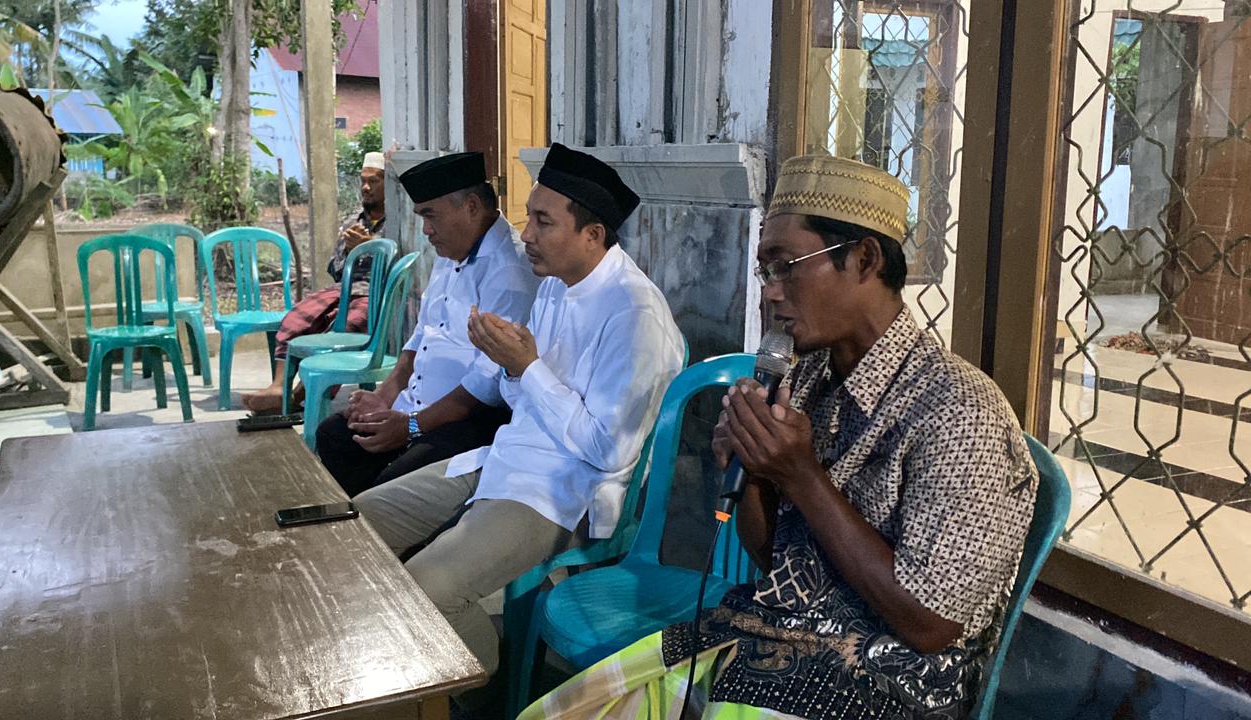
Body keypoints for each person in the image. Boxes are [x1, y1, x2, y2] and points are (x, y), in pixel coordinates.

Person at [521, 155, 1039, 719]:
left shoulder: (959, 411)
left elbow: (931, 624)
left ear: (863, 259)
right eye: (765, 272)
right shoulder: (806, 376)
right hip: (790, 632)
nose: (770, 293)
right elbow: (779, 566)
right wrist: (751, 476)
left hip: (894, 680)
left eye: (787, 266)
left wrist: (801, 475)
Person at [354, 143, 686, 686]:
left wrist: (526, 366)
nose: (524, 233)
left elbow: (608, 450)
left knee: (428, 589)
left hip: (566, 491)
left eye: (542, 221)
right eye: (529, 216)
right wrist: (512, 369)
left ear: (593, 235)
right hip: (507, 459)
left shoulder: (635, 314)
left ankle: (490, 693)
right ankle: (425, 672)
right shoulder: (556, 284)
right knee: (357, 528)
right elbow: (519, 400)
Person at [314, 151, 539, 497]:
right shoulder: (451, 251)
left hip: (470, 420)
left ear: (472, 207)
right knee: (335, 434)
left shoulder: (509, 271)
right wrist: (385, 396)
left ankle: (389, 543)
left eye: (431, 216)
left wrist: (412, 427)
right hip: (415, 409)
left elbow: (488, 382)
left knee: (391, 486)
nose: (426, 230)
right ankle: (361, 538)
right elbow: (422, 333)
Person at [241, 152, 389, 413]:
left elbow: (399, 267)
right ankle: (279, 386)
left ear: (388, 184)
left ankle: (301, 394)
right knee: (299, 316)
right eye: (363, 181)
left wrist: (369, 248)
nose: (366, 188)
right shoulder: (353, 221)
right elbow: (335, 268)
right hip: (344, 288)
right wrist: (349, 252)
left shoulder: (399, 223)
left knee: (344, 326)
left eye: (374, 182)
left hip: (375, 294)